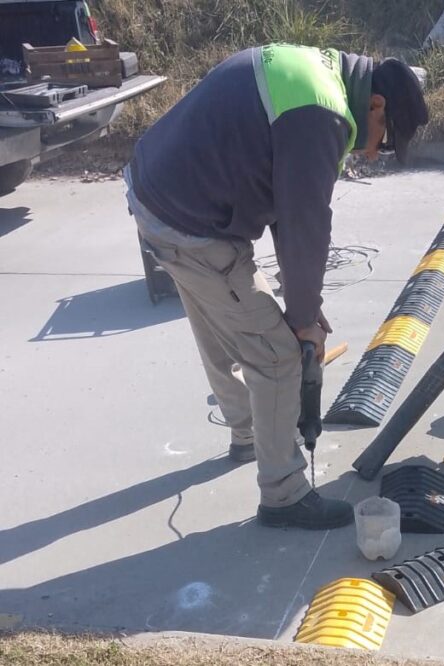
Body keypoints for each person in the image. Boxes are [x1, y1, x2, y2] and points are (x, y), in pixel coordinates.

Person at [125, 44, 428, 528]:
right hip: (190, 222)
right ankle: (283, 492)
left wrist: (305, 308)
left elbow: (290, 212)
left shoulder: (317, 73)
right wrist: (302, 322)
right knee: (276, 354)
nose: (373, 152)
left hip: (161, 193)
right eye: (384, 140)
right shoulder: (321, 114)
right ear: (377, 106)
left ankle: (247, 431)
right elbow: (305, 221)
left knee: (219, 318)